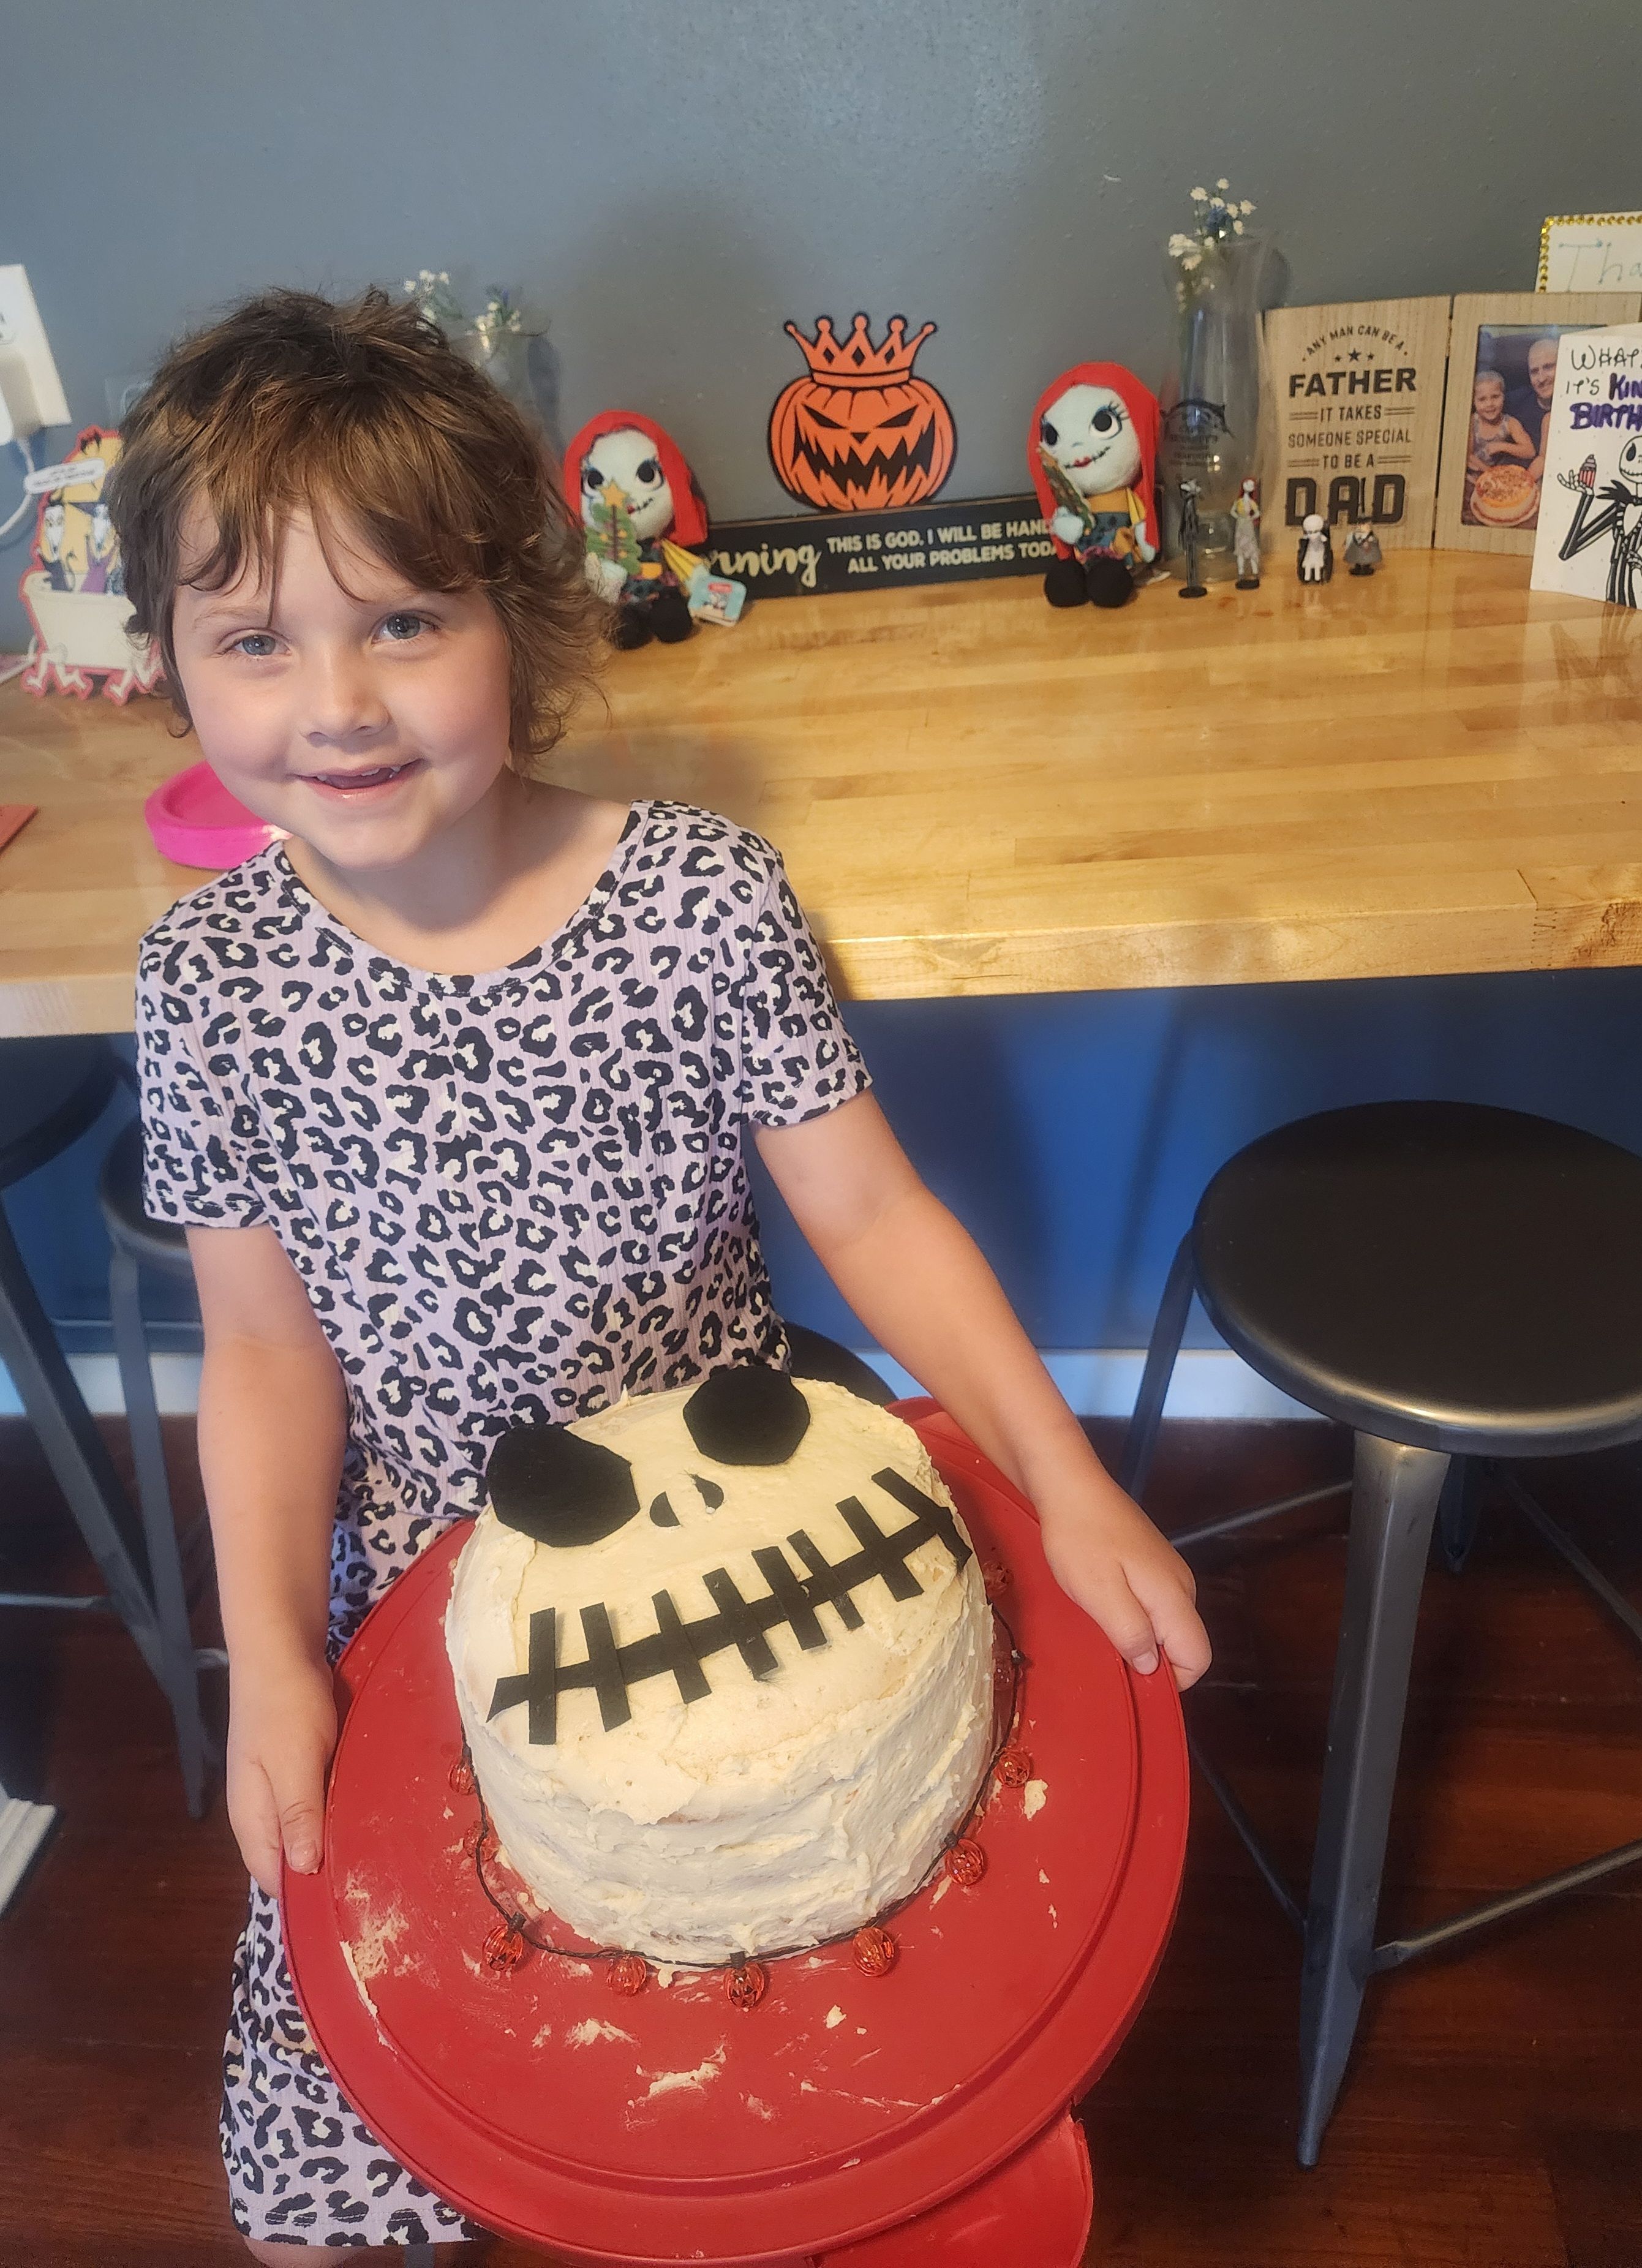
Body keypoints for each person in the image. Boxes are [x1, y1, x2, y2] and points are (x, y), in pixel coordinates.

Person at [108, 289, 1210, 2262]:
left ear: (518, 616)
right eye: (255, 639)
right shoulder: (206, 983)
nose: (335, 703)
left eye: (402, 621)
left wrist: (1068, 1479)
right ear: (170, 661)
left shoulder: (700, 896)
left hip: (746, 1522)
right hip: (422, 1588)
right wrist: (265, 1654)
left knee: (818, 2096)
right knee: (327, 2177)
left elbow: (873, 1219)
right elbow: (262, 1351)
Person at [1466, 367, 1535, 477]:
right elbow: (1468, 455)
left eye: (1495, 397)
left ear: (1503, 396)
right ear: (1474, 401)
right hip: (1471, 472)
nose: (1490, 404)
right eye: (1482, 399)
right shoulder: (1472, 422)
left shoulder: (1509, 423)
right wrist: (1490, 472)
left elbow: (1530, 451)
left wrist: (1502, 446)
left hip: (1495, 475)